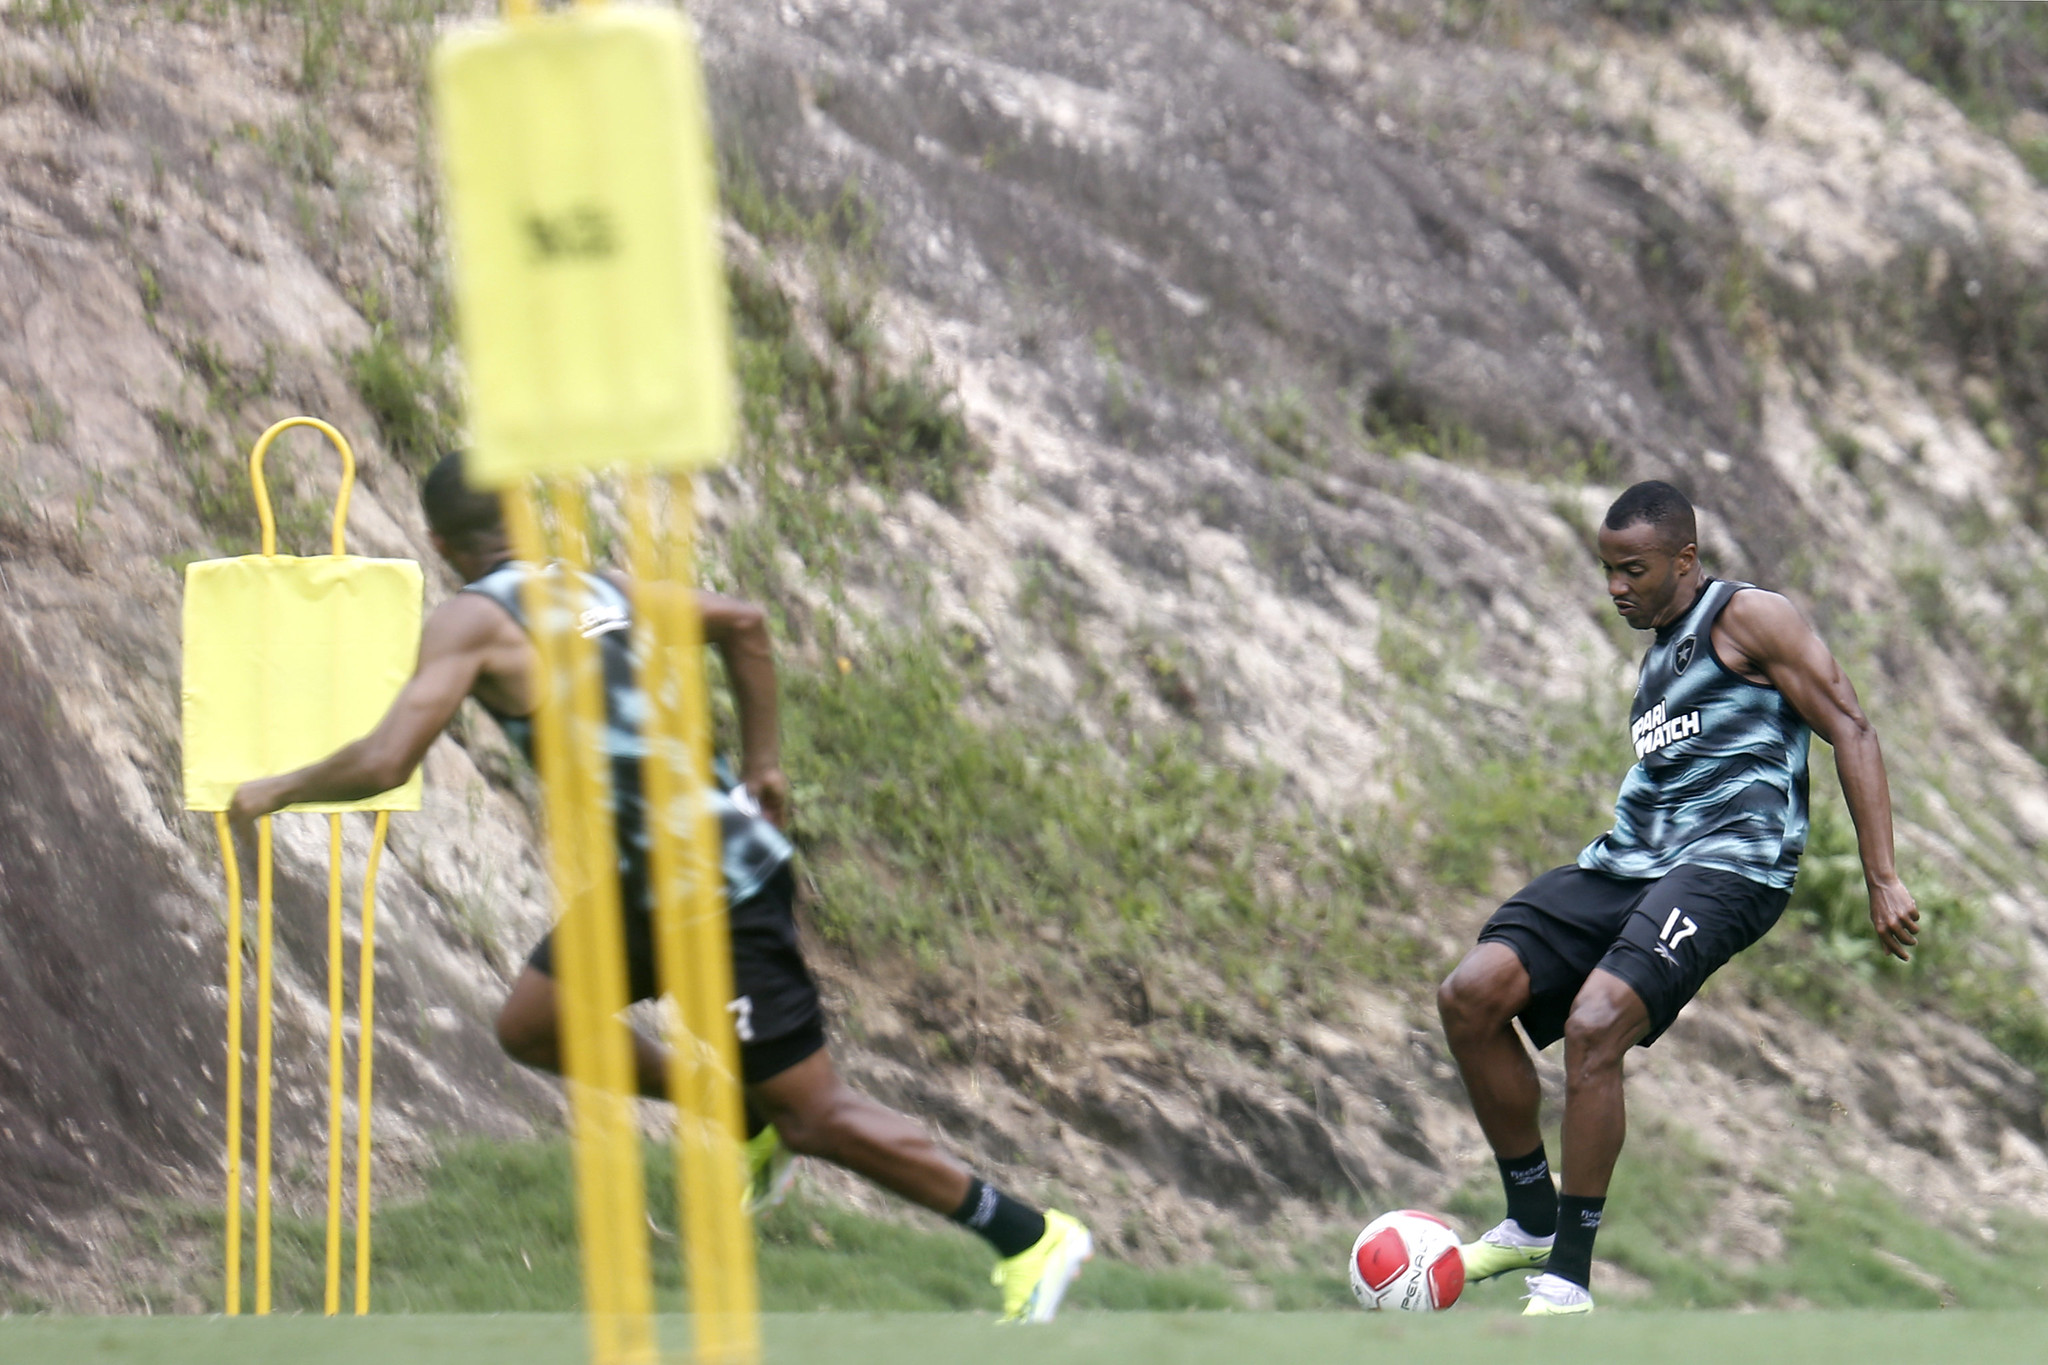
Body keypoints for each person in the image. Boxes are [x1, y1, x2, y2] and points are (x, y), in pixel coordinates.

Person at [228, 452, 1093, 1322]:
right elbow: (744, 623)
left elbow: (386, 758)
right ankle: (739, 1111)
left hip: (719, 885)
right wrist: (765, 766)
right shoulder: (592, 589)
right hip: (658, 877)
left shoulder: (469, 619)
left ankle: (1028, 1234)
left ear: (441, 541)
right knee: (534, 1022)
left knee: (816, 1115)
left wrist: (275, 789)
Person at [1434, 480, 1919, 1317]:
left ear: (1685, 559)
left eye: (1634, 568)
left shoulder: (1750, 617)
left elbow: (1853, 726)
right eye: (1607, 570)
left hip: (1732, 866)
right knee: (1471, 994)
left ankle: (1569, 1279)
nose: (1616, 587)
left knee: (1594, 1024)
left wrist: (1882, 876)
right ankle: (1532, 1218)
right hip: (1631, 864)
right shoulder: (1659, 655)